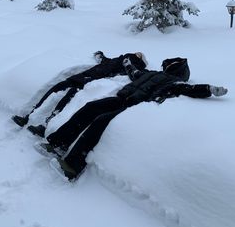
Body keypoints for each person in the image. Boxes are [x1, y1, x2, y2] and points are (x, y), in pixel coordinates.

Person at [36, 56, 228, 181]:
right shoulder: (151, 73)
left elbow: (190, 90)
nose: (165, 66)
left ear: (177, 71)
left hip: (132, 106)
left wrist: (209, 89)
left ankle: (73, 164)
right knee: (90, 108)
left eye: (170, 65)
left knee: (100, 121)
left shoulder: (175, 83)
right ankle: (58, 143)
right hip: (120, 98)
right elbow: (134, 73)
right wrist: (129, 64)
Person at [12, 51, 147, 137]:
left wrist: (130, 65)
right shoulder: (117, 60)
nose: (136, 53)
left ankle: (47, 125)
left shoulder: (128, 66)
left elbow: (132, 74)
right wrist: (101, 55)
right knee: (54, 90)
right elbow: (105, 61)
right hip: (83, 75)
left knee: (65, 100)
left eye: (138, 55)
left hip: (89, 80)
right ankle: (28, 116)